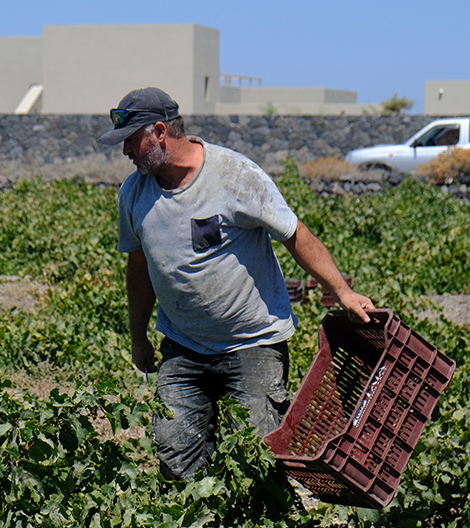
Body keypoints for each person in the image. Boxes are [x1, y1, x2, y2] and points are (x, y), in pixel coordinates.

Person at [97, 87, 375, 481]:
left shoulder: (235, 176)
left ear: (160, 131)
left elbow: (296, 235)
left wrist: (342, 292)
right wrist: (138, 335)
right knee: (177, 461)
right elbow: (138, 266)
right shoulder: (133, 193)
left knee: (261, 465)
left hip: (253, 343)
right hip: (183, 346)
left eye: (130, 140)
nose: (125, 151)